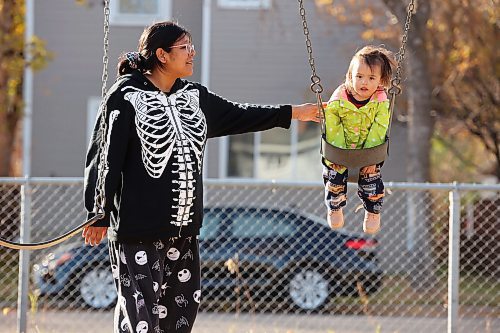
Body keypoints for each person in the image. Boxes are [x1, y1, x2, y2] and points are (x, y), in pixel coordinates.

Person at [82, 21, 319, 333]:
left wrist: (294, 113)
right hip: (136, 230)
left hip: (184, 231)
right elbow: (104, 155)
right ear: (162, 55)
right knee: (140, 320)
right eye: (185, 48)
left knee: (177, 321)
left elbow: (242, 114)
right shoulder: (124, 96)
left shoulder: (195, 96)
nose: (192, 53)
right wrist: (97, 212)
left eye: (192, 46)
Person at [322, 45, 396, 234]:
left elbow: (379, 127)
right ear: (350, 77)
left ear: (380, 81)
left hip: (368, 150)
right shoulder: (338, 99)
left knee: (372, 180)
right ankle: (335, 207)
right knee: (334, 179)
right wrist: (340, 152)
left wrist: (370, 158)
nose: (365, 82)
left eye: (371, 78)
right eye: (359, 76)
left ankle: (372, 213)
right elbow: (332, 125)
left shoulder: (380, 101)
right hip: (340, 148)